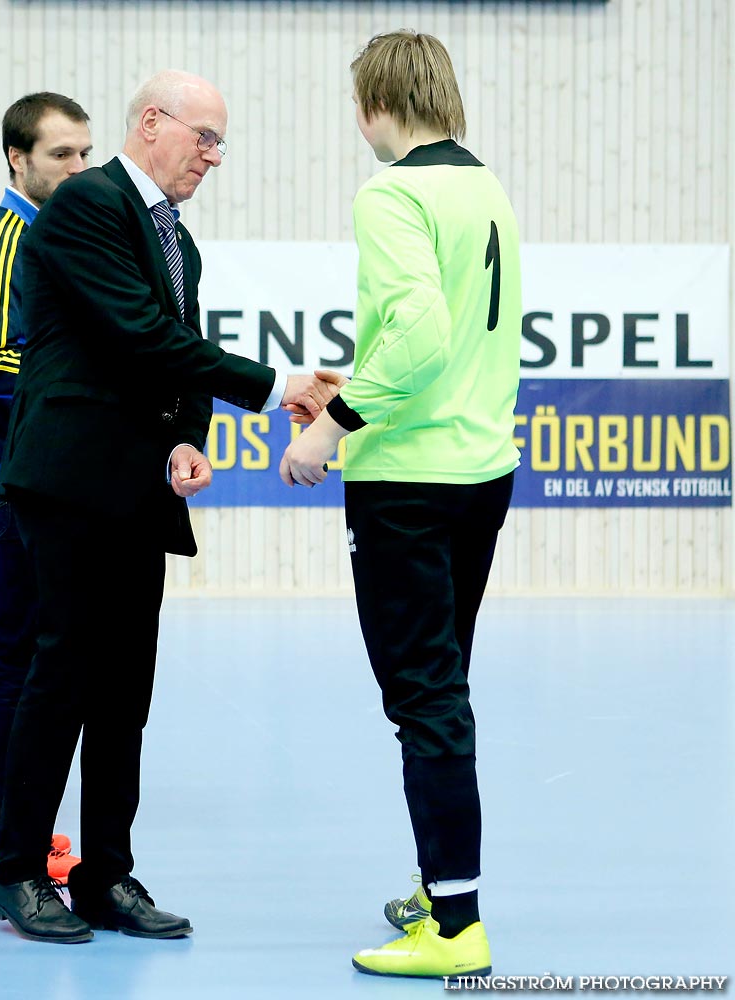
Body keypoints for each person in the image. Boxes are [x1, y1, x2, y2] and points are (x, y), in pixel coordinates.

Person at [0, 68, 343, 944]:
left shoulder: (175, 236)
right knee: (60, 674)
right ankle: (19, 872)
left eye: (221, 143)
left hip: (138, 486)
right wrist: (277, 386)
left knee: (124, 691)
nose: (214, 158)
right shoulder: (88, 205)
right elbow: (141, 333)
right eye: (205, 138)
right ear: (153, 122)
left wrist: (189, 437)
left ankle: (108, 876)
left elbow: (173, 357)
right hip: (70, 482)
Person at [279, 30, 522, 979]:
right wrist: (366, 375)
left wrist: (331, 424)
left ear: (374, 104)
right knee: (442, 691)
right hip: (478, 470)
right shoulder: (485, 187)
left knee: (424, 701)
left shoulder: (393, 192)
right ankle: (443, 889)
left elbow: (418, 334)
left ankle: (456, 927)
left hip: (410, 484)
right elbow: (445, 335)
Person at [0, 92, 93, 885]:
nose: (78, 170)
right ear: (18, 158)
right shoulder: (6, 242)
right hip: (10, 480)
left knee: (27, 648)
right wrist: (87, 392)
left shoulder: (47, 236)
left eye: (85, 154)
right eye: (60, 155)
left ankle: (9, 822)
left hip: (31, 475)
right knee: (16, 651)